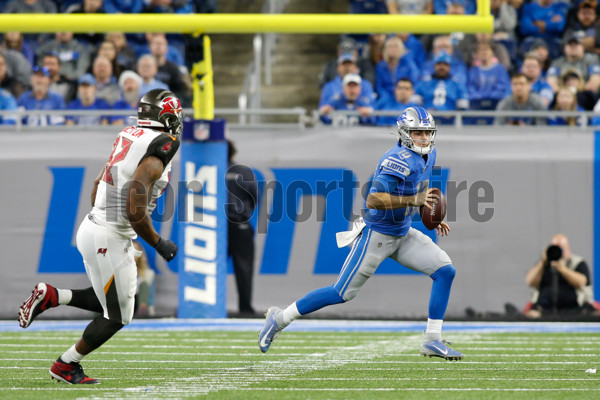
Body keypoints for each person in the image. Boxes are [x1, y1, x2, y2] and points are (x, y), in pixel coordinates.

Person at [259, 106, 463, 361]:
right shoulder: (397, 159)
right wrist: (415, 199)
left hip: (402, 232)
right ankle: (279, 318)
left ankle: (432, 340)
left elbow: (414, 187)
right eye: (418, 132)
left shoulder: (428, 155)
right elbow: (374, 199)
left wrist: (431, 211)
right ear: (404, 133)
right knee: (340, 293)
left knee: (445, 271)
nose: (423, 138)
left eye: (427, 133)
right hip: (376, 236)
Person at [17, 89, 182, 384]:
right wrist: (158, 242)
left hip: (94, 226)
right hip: (108, 234)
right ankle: (65, 364)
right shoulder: (163, 143)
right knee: (119, 315)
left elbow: (98, 182)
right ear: (167, 117)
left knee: (114, 300)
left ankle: (54, 296)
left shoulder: (129, 133)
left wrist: (110, 225)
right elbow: (134, 202)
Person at [524, 234, 595, 318]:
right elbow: (530, 281)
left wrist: (562, 268)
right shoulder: (543, 264)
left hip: (575, 308)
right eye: (555, 247)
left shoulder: (577, 262)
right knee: (531, 314)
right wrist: (542, 262)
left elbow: (582, 283)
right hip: (544, 308)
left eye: (561, 248)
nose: (558, 251)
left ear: (568, 248)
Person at [226, 140, 258, 315]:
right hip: (241, 225)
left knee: (209, 268)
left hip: (217, 227)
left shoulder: (211, 171)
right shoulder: (244, 172)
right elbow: (254, 197)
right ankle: (245, 309)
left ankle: (210, 306)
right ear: (233, 153)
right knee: (244, 269)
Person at [132, 241, 156, 317]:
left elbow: (150, 296)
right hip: (125, 302)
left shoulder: (148, 273)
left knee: (144, 284)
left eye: (135, 250)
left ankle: (143, 310)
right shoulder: (118, 271)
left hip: (139, 303)